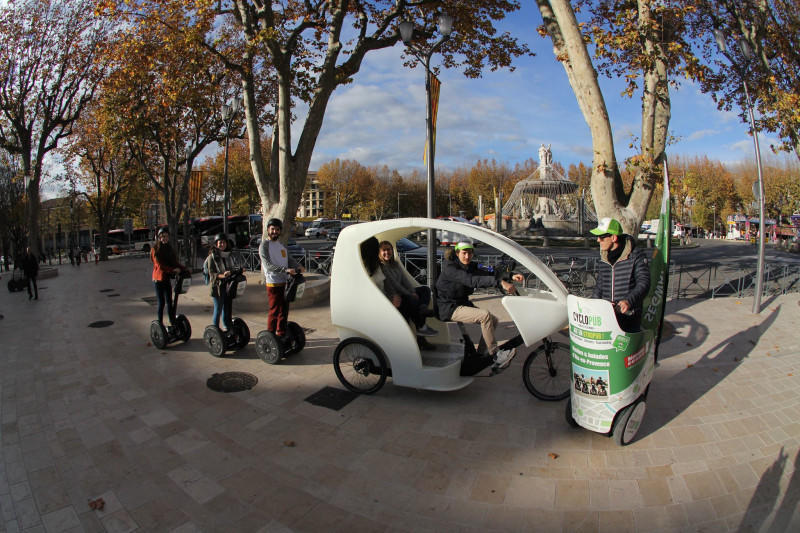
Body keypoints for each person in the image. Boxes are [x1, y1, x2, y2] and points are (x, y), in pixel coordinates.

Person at [435, 241, 524, 372]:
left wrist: (510, 275)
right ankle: (495, 355)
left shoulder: (471, 265)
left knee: (493, 320)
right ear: (457, 253)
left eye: (470, 253)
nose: (467, 256)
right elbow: (471, 280)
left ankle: (481, 355)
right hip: (448, 307)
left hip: (461, 303)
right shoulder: (451, 268)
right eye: (464, 253)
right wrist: (500, 283)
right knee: (485, 316)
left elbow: (489, 270)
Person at [590, 217, 651, 332]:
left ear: (613, 238)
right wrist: (593, 305)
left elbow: (644, 283)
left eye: (601, 237)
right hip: (608, 316)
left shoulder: (636, 255)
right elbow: (600, 286)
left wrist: (628, 301)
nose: (598, 240)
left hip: (629, 317)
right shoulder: (604, 257)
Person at [377, 240, 438, 348]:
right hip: (393, 297)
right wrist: (410, 294)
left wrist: (413, 291)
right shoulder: (382, 267)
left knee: (425, 290)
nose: (387, 252)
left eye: (389, 249)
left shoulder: (395, 264)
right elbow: (395, 285)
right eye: (384, 250)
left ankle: (423, 310)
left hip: (402, 294)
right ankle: (421, 329)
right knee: (413, 302)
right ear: (379, 253)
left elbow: (405, 280)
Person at [259, 218, 304, 339]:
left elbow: (289, 259)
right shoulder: (264, 245)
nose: (275, 231)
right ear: (268, 230)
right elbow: (268, 265)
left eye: (277, 229)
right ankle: (270, 336)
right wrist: (285, 270)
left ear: (280, 231)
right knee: (274, 310)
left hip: (285, 282)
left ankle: (281, 333)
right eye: (272, 229)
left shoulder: (281, 246)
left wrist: (298, 266)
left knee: (284, 310)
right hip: (273, 283)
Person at [150, 227, 185, 332]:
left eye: (166, 236)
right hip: (158, 279)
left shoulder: (169, 248)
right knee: (161, 302)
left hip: (166, 278)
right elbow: (159, 265)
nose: (164, 238)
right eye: (162, 236)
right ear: (159, 238)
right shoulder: (155, 249)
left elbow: (174, 262)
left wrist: (184, 269)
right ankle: (160, 324)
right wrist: (173, 270)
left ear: (168, 237)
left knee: (170, 302)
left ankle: (172, 321)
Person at [206, 234, 234, 332]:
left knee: (227, 308)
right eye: (220, 243)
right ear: (216, 244)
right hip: (217, 287)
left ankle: (227, 327)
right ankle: (215, 331)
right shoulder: (212, 257)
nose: (222, 244)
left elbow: (231, 268)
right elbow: (211, 274)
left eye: (224, 242)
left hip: (227, 286)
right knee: (218, 309)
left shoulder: (228, 255)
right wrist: (222, 275)